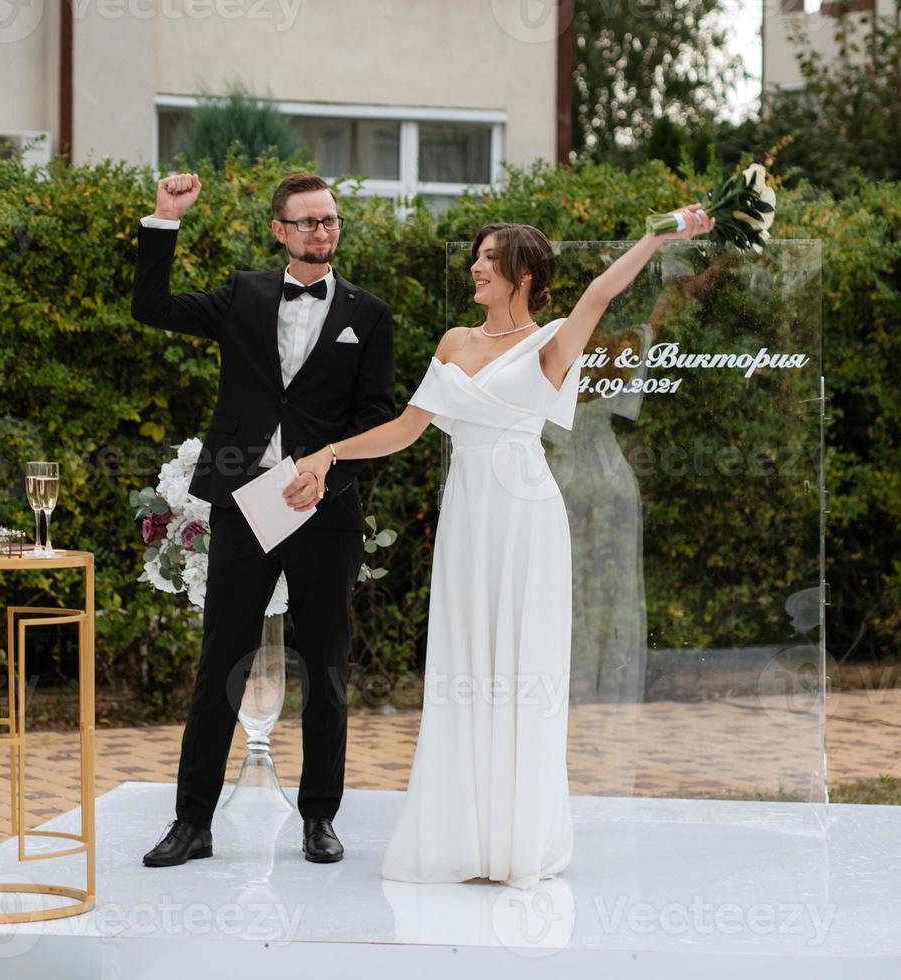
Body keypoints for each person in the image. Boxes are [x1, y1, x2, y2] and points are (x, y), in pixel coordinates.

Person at [295, 205, 714, 887]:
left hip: (526, 515)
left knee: (522, 671)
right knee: (463, 662)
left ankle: (517, 838)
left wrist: (655, 233)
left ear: (523, 272)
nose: (477, 266)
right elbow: (406, 428)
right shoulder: (454, 342)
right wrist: (329, 454)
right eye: (477, 255)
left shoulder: (551, 341)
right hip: (468, 515)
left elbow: (601, 294)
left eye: (491, 257)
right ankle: (459, 837)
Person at [131, 171, 397, 867]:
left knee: (328, 668)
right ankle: (192, 824)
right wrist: (165, 219)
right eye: (307, 222)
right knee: (220, 659)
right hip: (245, 506)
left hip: (324, 511)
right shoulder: (243, 294)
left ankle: (319, 819)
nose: (321, 232)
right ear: (279, 229)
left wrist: (329, 469)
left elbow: (377, 416)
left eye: (330, 220)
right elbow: (152, 306)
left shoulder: (369, 314)